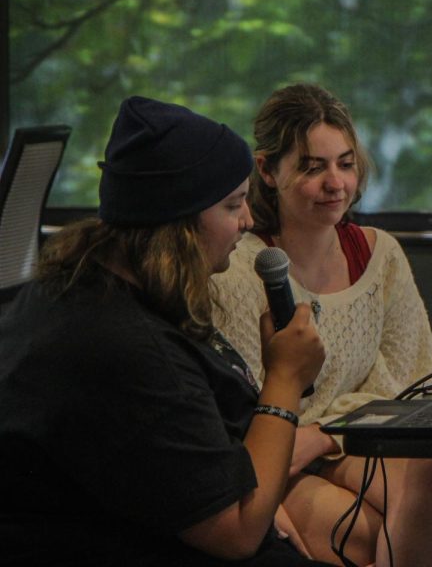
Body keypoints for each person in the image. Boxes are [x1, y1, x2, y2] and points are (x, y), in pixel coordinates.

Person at [0, 96, 327, 566]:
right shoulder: (127, 348)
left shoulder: (72, 289)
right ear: (179, 225)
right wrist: (286, 379)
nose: (248, 220)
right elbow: (234, 533)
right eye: (233, 205)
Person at [212, 83, 432, 567]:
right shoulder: (235, 270)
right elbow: (239, 406)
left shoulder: (381, 256)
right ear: (268, 171)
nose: (336, 182)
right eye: (314, 167)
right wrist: (296, 453)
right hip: (276, 459)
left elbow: (407, 384)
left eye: (345, 163)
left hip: (344, 441)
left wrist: (326, 435)